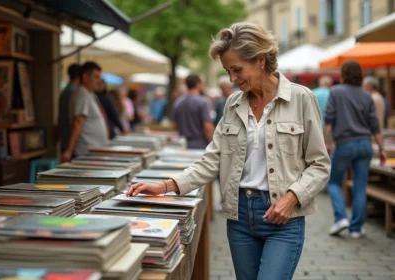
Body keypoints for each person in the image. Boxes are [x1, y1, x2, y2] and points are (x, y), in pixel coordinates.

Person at [128, 22, 331, 280]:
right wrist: (165, 186)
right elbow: (212, 159)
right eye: (227, 71)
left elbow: (320, 164)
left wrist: (291, 197)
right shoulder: (234, 104)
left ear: (260, 60)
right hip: (239, 217)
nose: (232, 79)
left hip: (283, 219)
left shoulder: (301, 99)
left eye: (237, 70)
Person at [325, 61, 386, 238]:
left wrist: (326, 143)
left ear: (343, 73)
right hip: (365, 144)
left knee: (333, 181)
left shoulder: (336, 92)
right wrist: (381, 148)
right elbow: (375, 125)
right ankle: (356, 228)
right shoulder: (367, 95)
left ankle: (340, 218)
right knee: (361, 186)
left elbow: (329, 121)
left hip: (345, 143)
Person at [61, 62, 108, 162]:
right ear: (85, 77)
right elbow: (77, 122)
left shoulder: (89, 94)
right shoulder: (81, 94)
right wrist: (69, 151)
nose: (99, 81)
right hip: (86, 153)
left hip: (93, 152)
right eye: (96, 77)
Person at [173, 74, 215, 149]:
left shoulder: (178, 102)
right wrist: (213, 145)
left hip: (183, 144)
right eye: (202, 83)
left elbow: (176, 126)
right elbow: (207, 127)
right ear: (198, 84)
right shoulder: (203, 102)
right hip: (200, 144)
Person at [58, 63, 81, 153]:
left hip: (65, 137)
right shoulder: (75, 93)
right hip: (71, 140)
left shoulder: (65, 91)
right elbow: (77, 120)